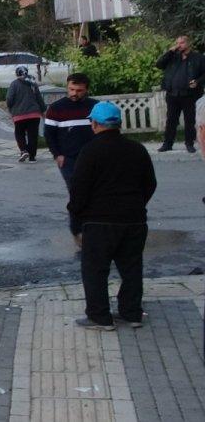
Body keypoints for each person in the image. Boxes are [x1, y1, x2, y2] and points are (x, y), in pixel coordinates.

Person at [67, 101, 156, 330]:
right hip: (134, 220)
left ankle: (99, 317)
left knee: (95, 269)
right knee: (132, 268)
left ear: (95, 124)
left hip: (99, 222)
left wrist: (76, 220)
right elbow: (150, 184)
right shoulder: (137, 149)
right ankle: (132, 313)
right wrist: (136, 204)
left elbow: (79, 190)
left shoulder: (90, 151)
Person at [44, 73, 99, 189]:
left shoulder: (95, 107)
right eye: (71, 89)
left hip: (93, 157)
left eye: (79, 90)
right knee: (76, 190)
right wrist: (57, 155)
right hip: (68, 159)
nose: (74, 93)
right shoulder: (56, 108)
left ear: (86, 90)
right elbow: (49, 134)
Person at [155, 35, 204, 153]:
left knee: (190, 120)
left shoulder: (198, 58)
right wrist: (169, 52)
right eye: (177, 43)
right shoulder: (173, 56)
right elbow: (159, 64)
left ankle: (189, 143)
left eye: (181, 43)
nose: (178, 45)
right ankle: (168, 143)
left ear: (188, 44)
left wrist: (197, 82)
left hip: (190, 94)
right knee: (171, 120)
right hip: (173, 94)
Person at [6, 65, 46, 163]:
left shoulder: (14, 84)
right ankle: (32, 157)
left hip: (19, 115)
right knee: (33, 135)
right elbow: (39, 98)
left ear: (17, 74)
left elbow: (9, 99)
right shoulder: (33, 84)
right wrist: (43, 110)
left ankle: (23, 150)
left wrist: (10, 108)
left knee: (19, 133)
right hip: (34, 114)